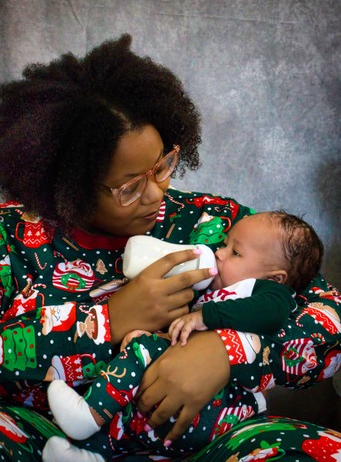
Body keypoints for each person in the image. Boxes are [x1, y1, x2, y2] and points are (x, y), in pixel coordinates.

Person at [0, 34, 339, 462]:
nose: (157, 192)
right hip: (49, 439)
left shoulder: (212, 221)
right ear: (65, 184)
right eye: (129, 187)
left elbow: (327, 314)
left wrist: (225, 352)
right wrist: (110, 320)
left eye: (162, 165)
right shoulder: (12, 237)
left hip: (205, 442)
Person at [46, 210, 324, 459]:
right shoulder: (217, 289)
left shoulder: (269, 293)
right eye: (225, 244)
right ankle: (90, 453)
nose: (220, 253)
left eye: (235, 253)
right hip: (170, 412)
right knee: (130, 399)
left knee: (143, 349)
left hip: (217, 410)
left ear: (275, 278)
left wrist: (205, 317)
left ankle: (88, 414)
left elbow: (273, 313)